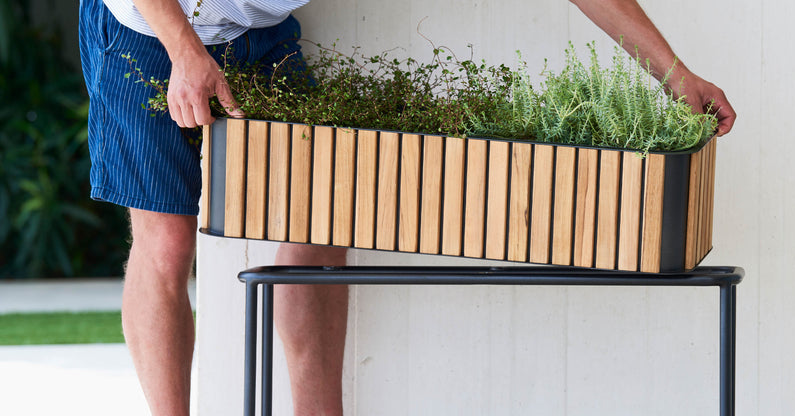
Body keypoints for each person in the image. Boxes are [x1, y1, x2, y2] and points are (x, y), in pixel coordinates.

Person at [78, 0, 734, 415]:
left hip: (256, 33)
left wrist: (674, 74)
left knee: (319, 221)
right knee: (167, 242)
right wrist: (183, 50)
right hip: (143, 25)